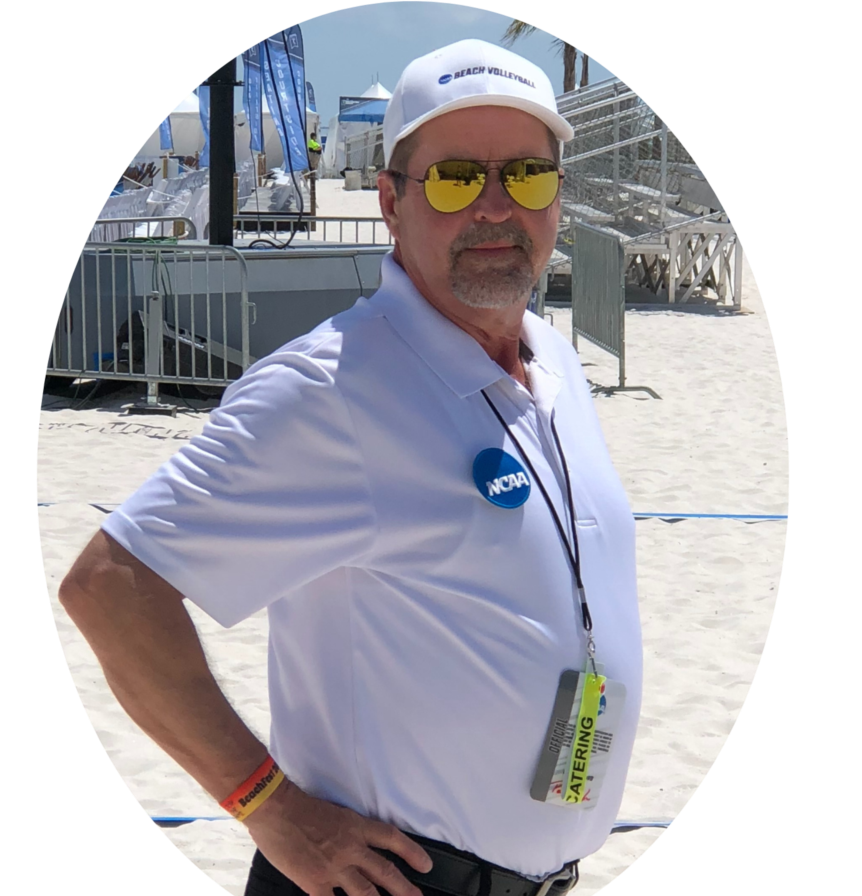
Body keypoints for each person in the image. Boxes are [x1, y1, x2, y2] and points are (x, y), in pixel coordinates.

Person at [59, 39, 642, 896]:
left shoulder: (550, 361)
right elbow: (111, 587)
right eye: (455, 179)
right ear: (390, 202)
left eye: (526, 175)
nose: (495, 206)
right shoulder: (331, 388)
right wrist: (270, 808)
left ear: (557, 193)